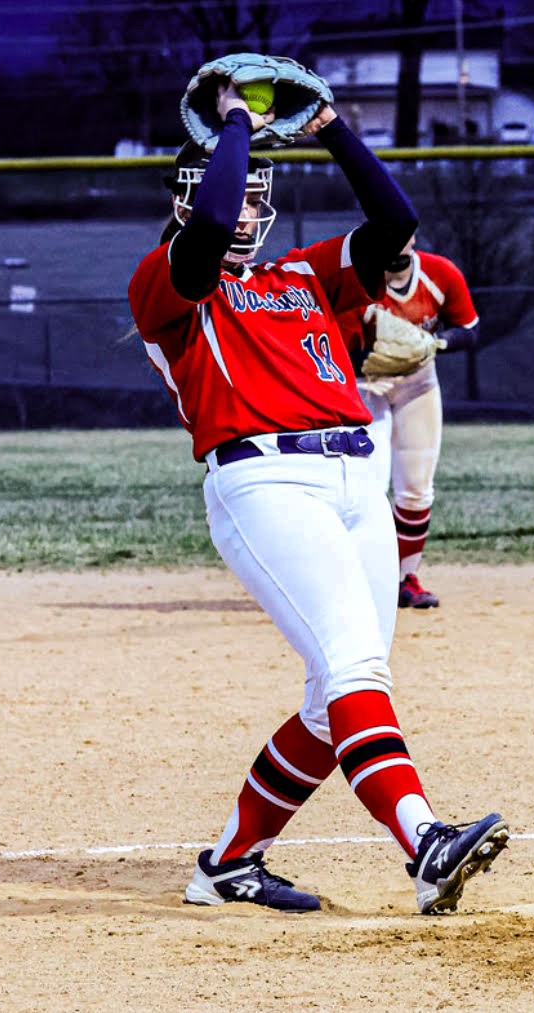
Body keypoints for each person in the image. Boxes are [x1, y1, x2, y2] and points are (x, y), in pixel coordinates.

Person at [128, 77, 508, 916]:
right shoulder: (165, 282)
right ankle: (425, 840)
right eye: (236, 189)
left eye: (258, 193)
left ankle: (228, 863)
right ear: (188, 195)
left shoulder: (301, 273)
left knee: (334, 700)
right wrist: (235, 123)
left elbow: (395, 223)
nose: (247, 206)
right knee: (354, 668)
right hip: (264, 480)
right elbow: (209, 231)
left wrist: (332, 127)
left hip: (356, 477)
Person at [337, 237, 480, 609]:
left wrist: (436, 343)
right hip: (368, 384)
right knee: (367, 488)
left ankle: (404, 578)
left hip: (418, 383)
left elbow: (469, 329)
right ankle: (360, 578)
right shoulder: (357, 278)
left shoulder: (439, 272)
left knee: (417, 489)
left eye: (404, 231)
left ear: (413, 234)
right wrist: (364, 363)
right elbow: (333, 344)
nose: (397, 241)